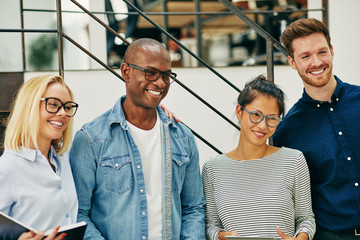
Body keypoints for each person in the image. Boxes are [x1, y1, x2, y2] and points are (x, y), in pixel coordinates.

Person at [69, 38, 206, 239]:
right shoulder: (91, 139)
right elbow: (78, 214)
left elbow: (194, 208)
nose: (160, 83)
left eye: (167, 75)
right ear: (126, 72)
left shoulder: (183, 138)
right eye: (150, 73)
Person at [272, 18, 360, 240]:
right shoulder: (288, 130)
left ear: (331, 51)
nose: (316, 62)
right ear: (292, 62)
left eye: (322, 52)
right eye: (305, 56)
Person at [202, 75, 316, 240]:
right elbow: (211, 224)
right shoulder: (212, 169)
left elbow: (306, 219)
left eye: (272, 119)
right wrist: (221, 236)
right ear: (239, 112)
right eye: (256, 115)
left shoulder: (294, 161)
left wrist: (300, 238)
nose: (263, 125)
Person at [0, 75, 79, 240]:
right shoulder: (7, 169)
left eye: (67, 106)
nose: (63, 112)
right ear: (28, 107)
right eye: (53, 104)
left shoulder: (64, 161)